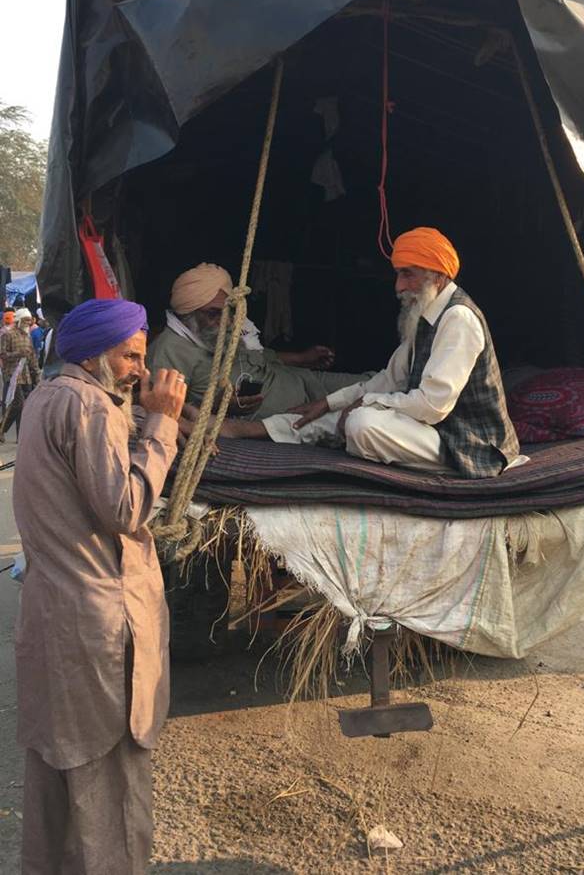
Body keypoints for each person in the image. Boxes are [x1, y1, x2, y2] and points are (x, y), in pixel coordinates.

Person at [13, 298, 186, 874]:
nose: (140, 369)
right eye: (131, 356)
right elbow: (125, 506)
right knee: (107, 784)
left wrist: (144, 421)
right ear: (96, 356)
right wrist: (161, 422)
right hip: (99, 629)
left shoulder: (47, 397)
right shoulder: (90, 407)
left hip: (56, 618)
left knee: (60, 777)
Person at [220, 227, 521, 478]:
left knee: (362, 423)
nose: (399, 286)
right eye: (398, 275)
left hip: (472, 445)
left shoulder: (458, 318)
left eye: (408, 275)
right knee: (340, 416)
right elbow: (388, 380)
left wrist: (367, 403)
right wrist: (327, 403)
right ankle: (247, 430)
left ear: (438, 276)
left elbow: (432, 406)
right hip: (437, 432)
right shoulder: (426, 314)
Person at [148, 262, 370, 418]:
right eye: (213, 313)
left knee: (375, 383)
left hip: (303, 380)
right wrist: (222, 407)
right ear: (188, 315)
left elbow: (257, 357)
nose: (226, 320)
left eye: (229, 311)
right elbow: (166, 410)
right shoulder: (170, 351)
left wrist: (301, 358)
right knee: (371, 406)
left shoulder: (216, 330)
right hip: (299, 410)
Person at [0, 308, 41, 442]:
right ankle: (2, 428)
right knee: (18, 404)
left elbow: (32, 357)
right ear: (19, 320)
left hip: (26, 376)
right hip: (12, 375)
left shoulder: (27, 336)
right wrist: (17, 354)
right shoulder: (8, 334)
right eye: (26, 320)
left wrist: (37, 374)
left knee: (25, 406)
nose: (28, 323)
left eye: (29, 320)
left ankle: (20, 436)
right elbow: (3, 354)